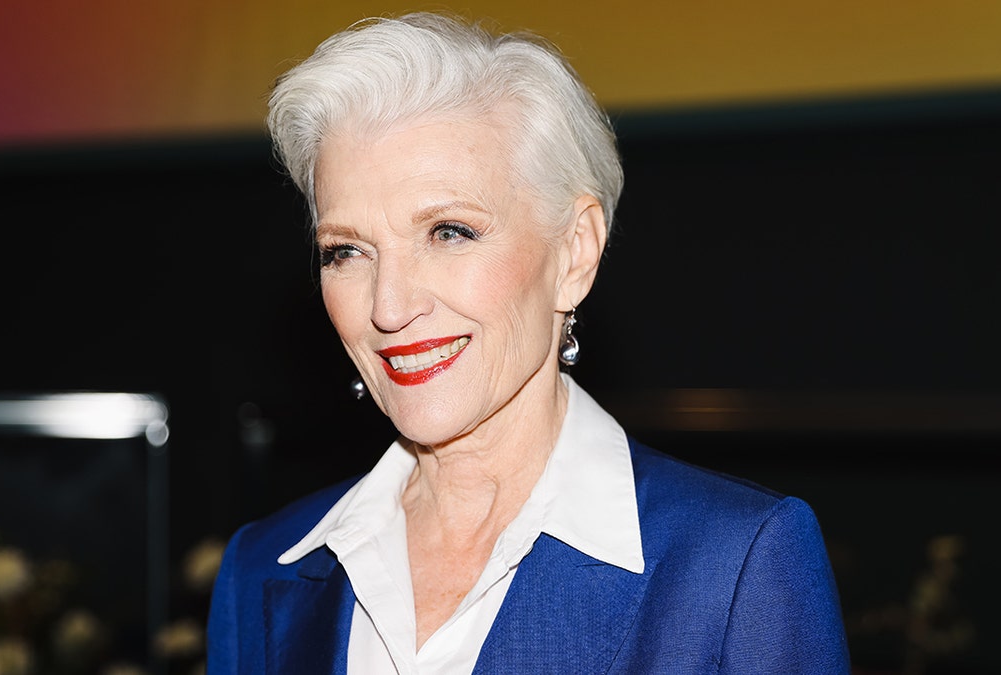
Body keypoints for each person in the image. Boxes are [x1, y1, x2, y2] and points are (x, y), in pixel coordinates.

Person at [207, 11, 849, 674]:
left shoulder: (734, 566)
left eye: (449, 231)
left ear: (575, 251)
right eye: (347, 250)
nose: (389, 306)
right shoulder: (260, 573)